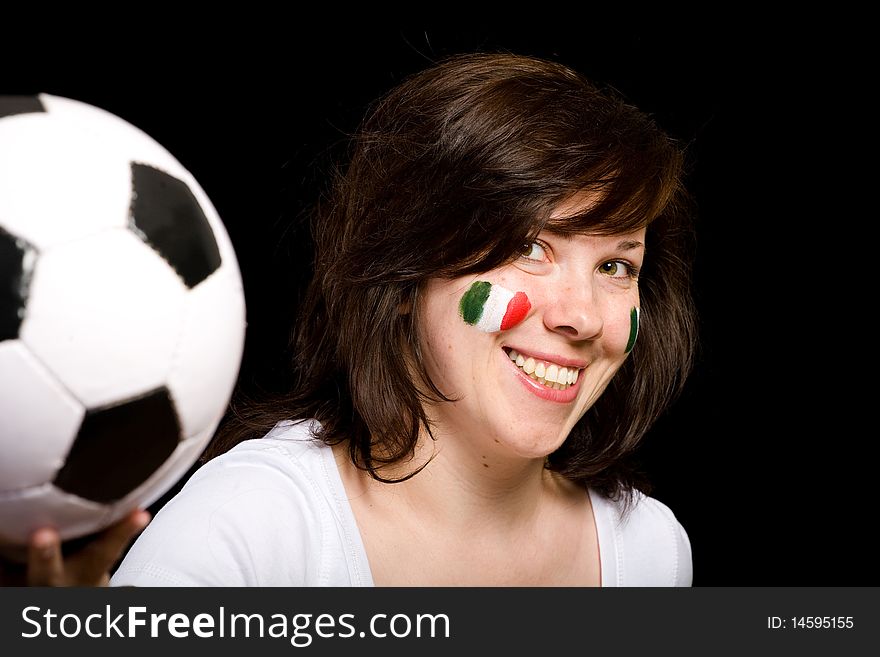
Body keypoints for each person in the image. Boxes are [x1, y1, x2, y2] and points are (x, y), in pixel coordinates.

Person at [6, 52, 698, 586]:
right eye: (529, 247)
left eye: (616, 266)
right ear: (406, 270)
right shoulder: (250, 527)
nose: (581, 317)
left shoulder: (647, 551)